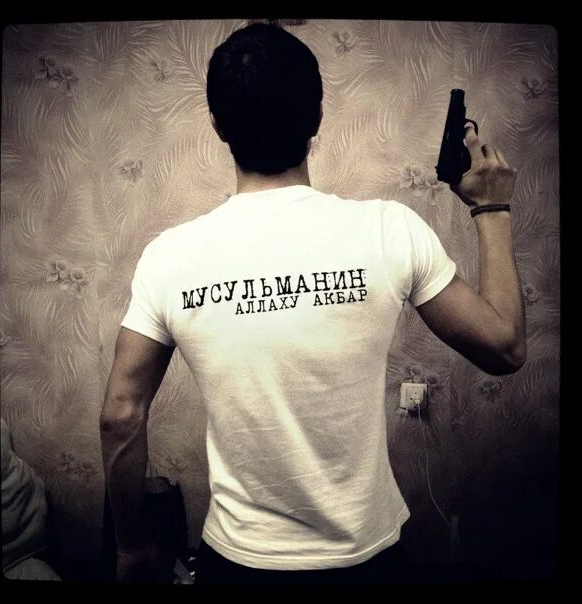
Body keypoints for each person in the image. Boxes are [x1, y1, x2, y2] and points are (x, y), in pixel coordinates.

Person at [99, 23, 525, 585]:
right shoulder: (388, 230)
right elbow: (504, 348)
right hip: (366, 560)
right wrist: (492, 209)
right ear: (317, 117)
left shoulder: (167, 257)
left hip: (238, 563)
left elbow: (120, 414)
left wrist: (132, 545)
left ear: (217, 125)